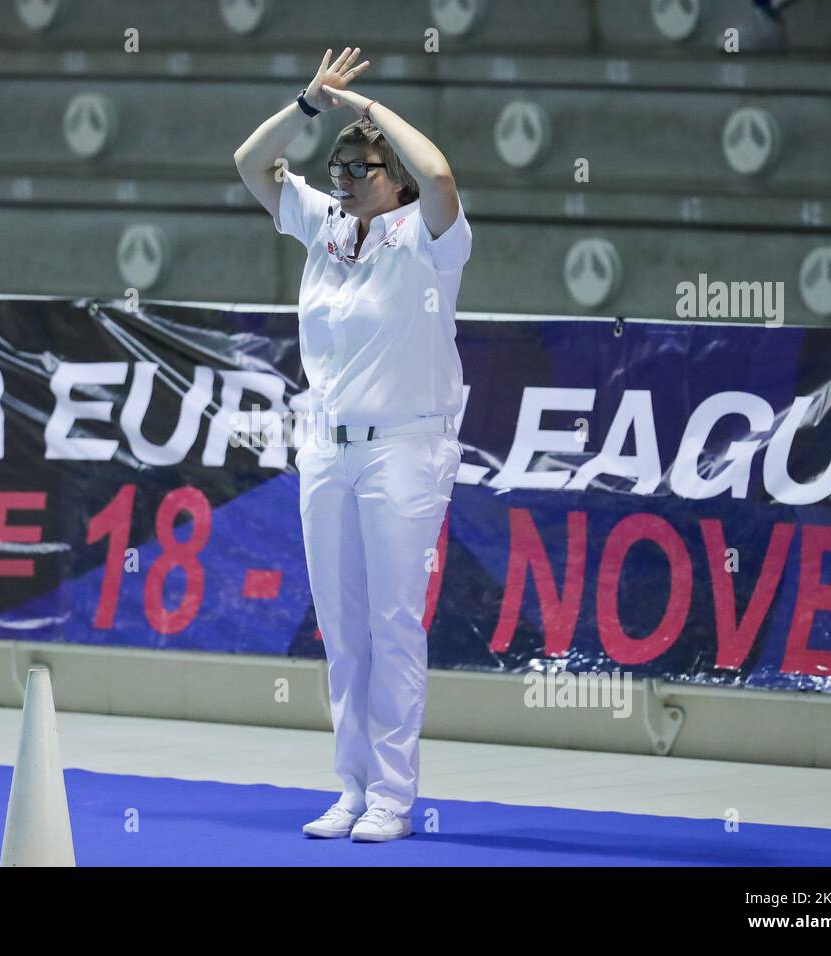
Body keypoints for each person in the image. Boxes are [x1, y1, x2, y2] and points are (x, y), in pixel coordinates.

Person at [233, 47, 471, 843]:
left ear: (392, 178)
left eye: (363, 167)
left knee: (394, 623)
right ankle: (350, 786)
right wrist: (312, 104)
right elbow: (249, 161)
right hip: (326, 447)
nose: (346, 178)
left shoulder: (429, 235)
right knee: (340, 626)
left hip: (405, 447)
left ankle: (394, 800)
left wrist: (374, 114)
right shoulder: (325, 225)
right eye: (339, 167)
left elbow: (439, 176)